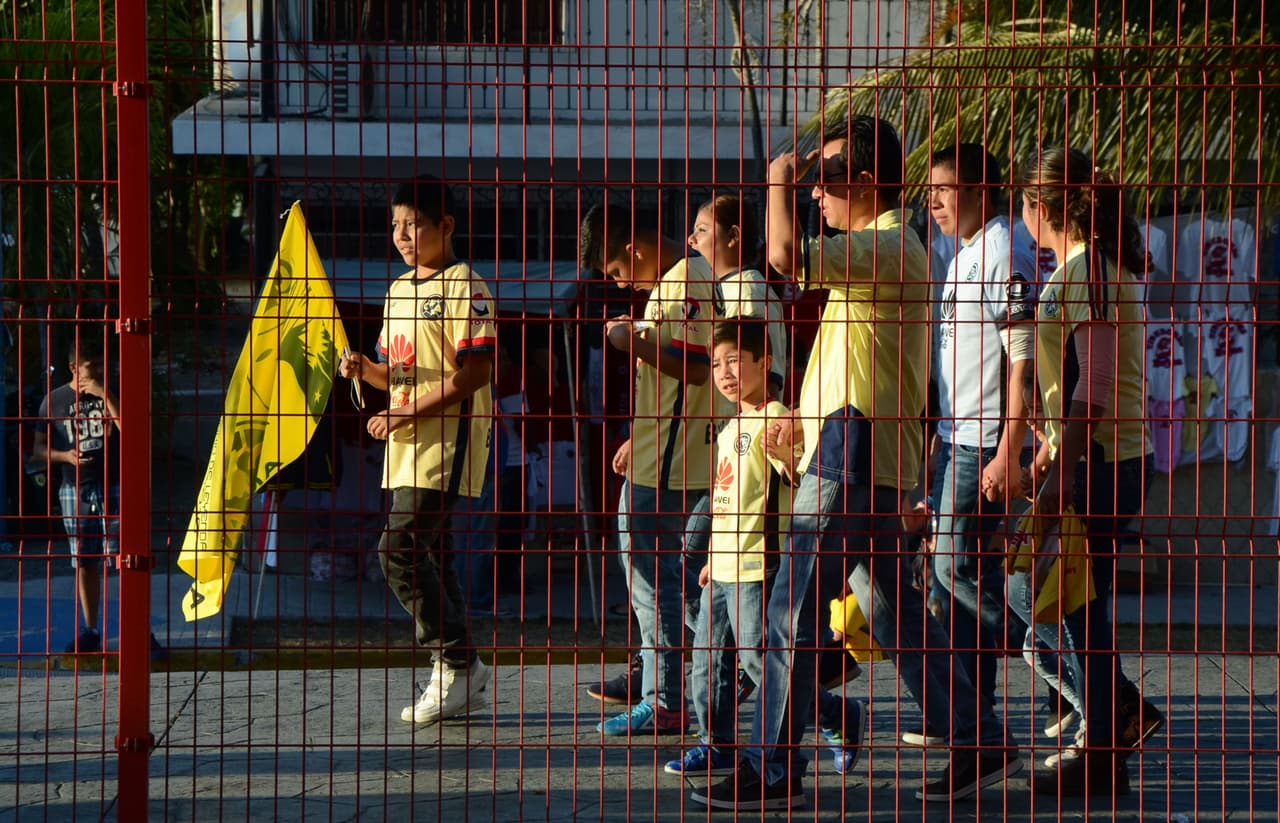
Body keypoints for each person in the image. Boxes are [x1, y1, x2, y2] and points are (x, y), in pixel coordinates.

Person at [692, 116, 1018, 812]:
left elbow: (784, 254)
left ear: (867, 182)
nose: (816, 191)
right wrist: (800, 418)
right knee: (897, 615)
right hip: (859, 449)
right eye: (811, 180)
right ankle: (976, 735)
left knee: (790, 610)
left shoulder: (889, 246)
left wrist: (778, 178)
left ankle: (773, 768)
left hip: (854, 452)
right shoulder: (886, 252)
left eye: (827, 177)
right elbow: (850, 354)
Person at [1012, 145, 1163, 796]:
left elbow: (1093, 385)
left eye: (1022, 204)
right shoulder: (1085, 269)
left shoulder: (1089, 271)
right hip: (1097, 455)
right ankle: (1111, 724)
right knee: (1063, 602)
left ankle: (1104, 741)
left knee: (1064, 602)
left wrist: (1064, 468)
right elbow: (1076, 380)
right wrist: (1052, 446)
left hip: (1103, 460)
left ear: (1039, 206)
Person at [666, 321, 863, 778]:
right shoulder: (730, 426)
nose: (724, 372)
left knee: (760, 663)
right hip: (723, 567)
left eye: (735, 361)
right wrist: (712, 557)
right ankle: (717, 745)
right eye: (717, 363)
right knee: (707, 661)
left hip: (757, 566)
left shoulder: (778, 418)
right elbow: (725, 498)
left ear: (765, 363)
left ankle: (837, 714)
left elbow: (800, 479)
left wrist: (787, 454)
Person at [340, 174, 495, 726]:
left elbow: (474, 374)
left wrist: (402, 412)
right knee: (433, 555)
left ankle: (457, 661)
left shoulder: (467, 286)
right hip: (405, 444)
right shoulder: (398, 290)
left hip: (447, 442)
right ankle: (458, 673)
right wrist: (366, 369)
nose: (403, 235)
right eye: (396, 225)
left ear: (445, 226)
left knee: (397, 551)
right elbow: (396, 373)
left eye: (415, 224)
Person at [908, 143, 1038, 748]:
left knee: (953, 568)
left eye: (945, 189)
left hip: (985, 441)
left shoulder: (1004, 251)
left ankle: (1049, 652)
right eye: (930, 190)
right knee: (950, 582)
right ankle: (968, 716)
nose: (933, 201)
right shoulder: (963, 253)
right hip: (955, 438)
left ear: (981, 191)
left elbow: (1022, 358)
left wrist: (1009, 448)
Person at [579, 202, 715, 735]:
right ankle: (688, 686)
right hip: (665, 455)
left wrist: (630, 339)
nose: (620, 283)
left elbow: (699, 368)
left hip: (670, 468)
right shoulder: (680, 280)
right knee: (678, 585)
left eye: (616, 270)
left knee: (657, 584)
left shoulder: (684, 280)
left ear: (634, 249)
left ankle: (669, 698)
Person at [35, 337, 120, 654]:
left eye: (100, 364)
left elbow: (135, 431)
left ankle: (136, 627)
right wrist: (65, 456)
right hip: (75, 488)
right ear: (73, 367)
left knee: (123, 558)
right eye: (90, 365)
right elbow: (38, 449)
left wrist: (106, 395)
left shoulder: (112, 391)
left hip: (114, 482)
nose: (97, 370)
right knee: (85, 560)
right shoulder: (54, 401)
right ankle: (91, 629)